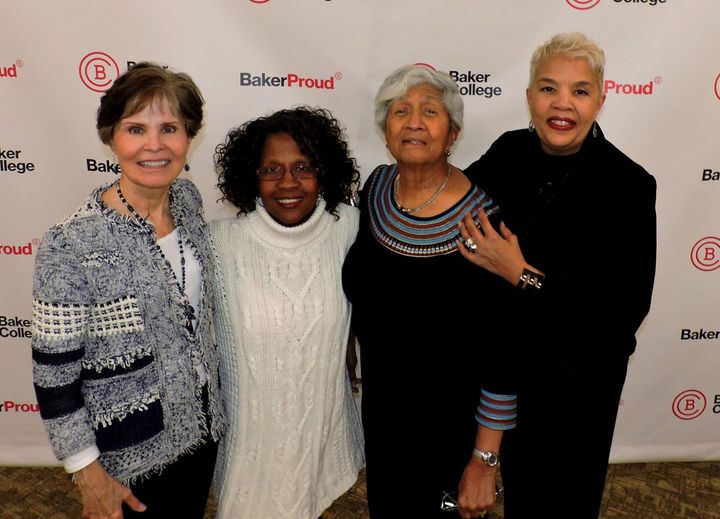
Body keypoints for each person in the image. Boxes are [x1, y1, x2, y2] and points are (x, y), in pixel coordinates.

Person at [460, 32, 657, 519]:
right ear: (529, 97)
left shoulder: (630, 186)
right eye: (548, 89)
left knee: (560, 505)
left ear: (601, 100)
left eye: (580, 91)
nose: (562, 104)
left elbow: (618, 316)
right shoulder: (506, 152)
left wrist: (520, 273)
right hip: (501, 369)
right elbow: (456, 215)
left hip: (576, 389)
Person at [30, 62, 226, 519]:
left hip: (200, 437)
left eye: (169, 128)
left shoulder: (189, 202)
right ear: (111, 138)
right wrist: (87, 472)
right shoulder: (71, 244)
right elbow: (54, 376)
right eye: (136, 128)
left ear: (189, 137)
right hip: (127, 463)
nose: (154, 146)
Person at [342, 65, 517, 519]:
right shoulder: (375, 189)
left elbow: (504, 351)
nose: (414, 121)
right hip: (384, 419)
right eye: (401, 111)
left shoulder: (483, 220)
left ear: (453, 132)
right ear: (385, 131)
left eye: (430, 112)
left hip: (452, 432)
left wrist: (484, 460)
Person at [211, 106, 365, 519]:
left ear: (325, 171)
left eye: (303, 167)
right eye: (271, 170)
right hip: (249, 456)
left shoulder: (349, 228)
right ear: (251, 177)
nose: (288, 182)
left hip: (322, 444)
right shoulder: (219, 245)